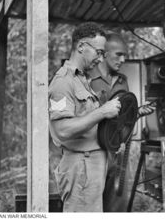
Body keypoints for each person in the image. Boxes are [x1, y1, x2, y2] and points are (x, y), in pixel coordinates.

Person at [48, 22, 121, 212]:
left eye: (103, 54)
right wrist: (103, 111)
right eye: (98, 52)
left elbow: (90, 124)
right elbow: (62, 130)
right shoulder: (63, 82)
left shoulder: (82, 79)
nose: (100, 58)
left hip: (91, 165)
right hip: (81, 168)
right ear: (81, 47)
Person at [89, 32, 154, 211]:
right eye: (119, 54)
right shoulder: (86, 79)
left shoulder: (122, 81)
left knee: (117, 205)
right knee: (91, 206)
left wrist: (137, 113)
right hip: (92, 152)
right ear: (103, 53)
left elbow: (122, 119)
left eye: (125, 55)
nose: (123, 59)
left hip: (117, 153)